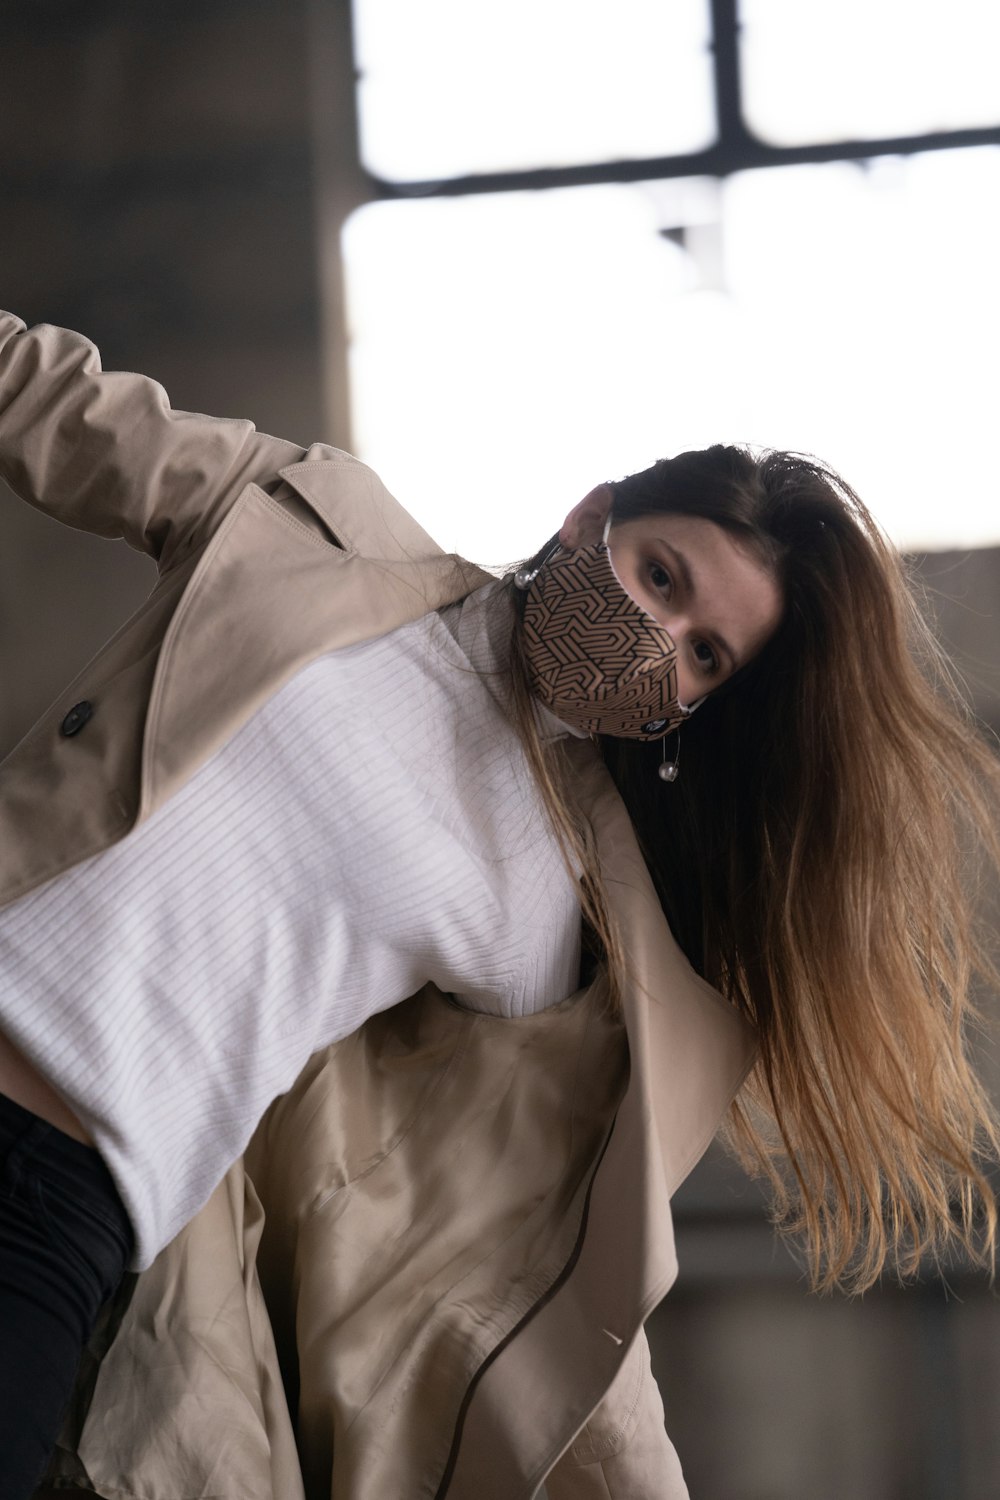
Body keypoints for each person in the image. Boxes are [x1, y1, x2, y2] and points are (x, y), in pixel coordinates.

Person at [0, 308, 997, 1500]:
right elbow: (55, 405)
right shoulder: (320, 529)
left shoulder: (554, 913)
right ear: (591, 518)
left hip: (60, 1204)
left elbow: (533, 1259)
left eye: (702, 656)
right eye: (661, 576)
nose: (656, 638)